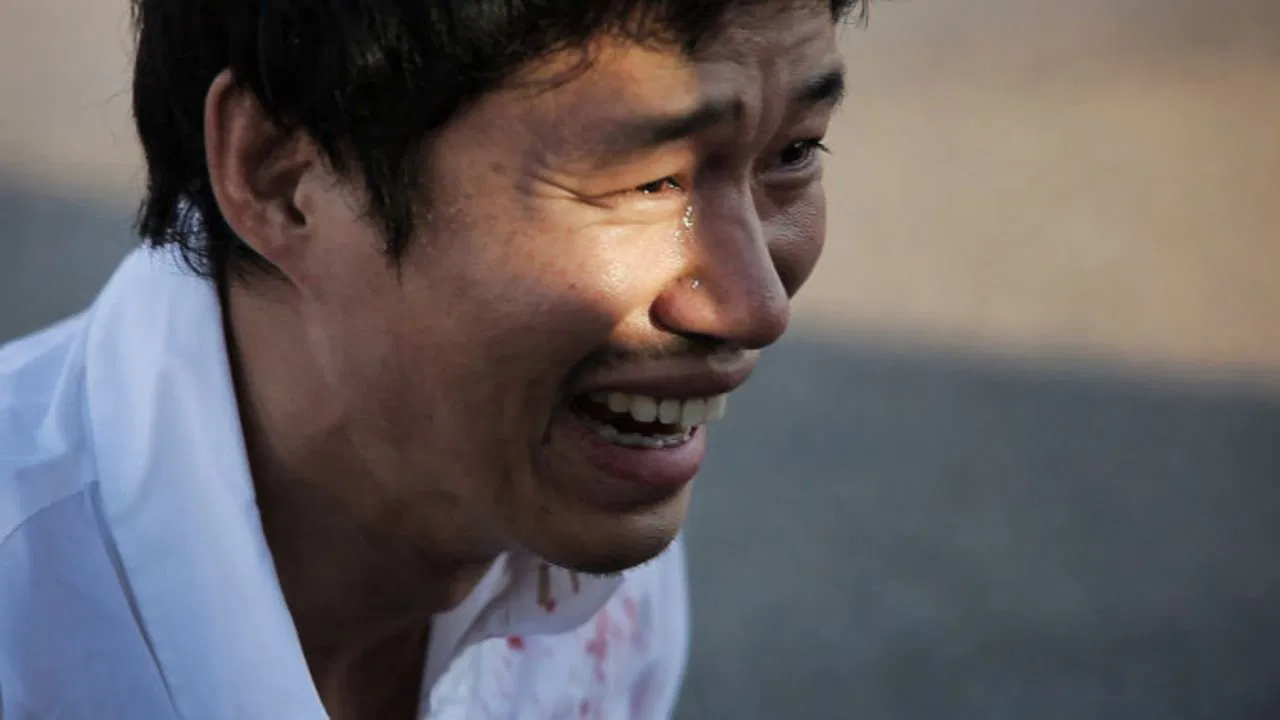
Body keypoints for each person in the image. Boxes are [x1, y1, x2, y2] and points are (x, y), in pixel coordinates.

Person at [0, 0, 857, 717]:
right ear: (282, 179)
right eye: (647, 178)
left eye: (793, 154)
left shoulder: (580, 513)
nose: (756, 307)